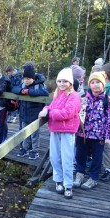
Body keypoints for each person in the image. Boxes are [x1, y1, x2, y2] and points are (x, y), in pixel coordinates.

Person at [38, 68, 81, 199]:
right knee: (54, 156)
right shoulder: (58, 94)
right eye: (60, 81)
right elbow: (52, 106)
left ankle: (68, 185)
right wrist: (46, 109)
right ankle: (58, 180)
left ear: (70, 82)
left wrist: (50, 113)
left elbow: (67, 113)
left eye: (65, 81)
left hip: (67, 131)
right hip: (55, 129)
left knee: (67, 158)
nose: (62, 84)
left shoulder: (74, 96)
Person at [73, 71, 110, 189]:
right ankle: (80, 174)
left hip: (99, 136)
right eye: (92, 82)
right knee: (80, 155)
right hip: (83, 133)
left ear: (103, 84)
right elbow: (76, 114)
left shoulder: (108, 100)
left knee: (97, 158)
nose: (95, 85)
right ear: (89, 84)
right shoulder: (83, 98)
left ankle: (93, 178)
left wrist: (108, 137)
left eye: (98, 82)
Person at [12, 63, 49, 160]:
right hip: (24, 114)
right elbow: (14, 89)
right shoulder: (23, 84)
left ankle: (35, 151)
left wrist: (29, 92)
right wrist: (21, 91)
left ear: (33, 78)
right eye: (25, 78)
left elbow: (45, 93)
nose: (26, 81)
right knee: (24, 133)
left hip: (35, 115)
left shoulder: (39, 85)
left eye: (28, 79)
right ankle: (25, 149)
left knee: (34, 135)